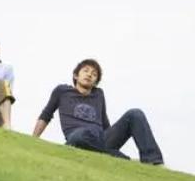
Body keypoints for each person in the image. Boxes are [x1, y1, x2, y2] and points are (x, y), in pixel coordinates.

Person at [32, 58, 164, 165]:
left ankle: (152, 161)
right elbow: (46, 115)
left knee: (135, 113)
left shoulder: (99, 94)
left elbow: (105, 124)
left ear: (95, 82)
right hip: (78, 137)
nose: (89, 74)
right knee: (79, 136)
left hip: (101, 138)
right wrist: (33, 140)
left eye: (94, 74)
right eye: (86, 71)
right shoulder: (62, 91)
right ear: (76, 75)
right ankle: (118, 156)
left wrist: (113, 137)